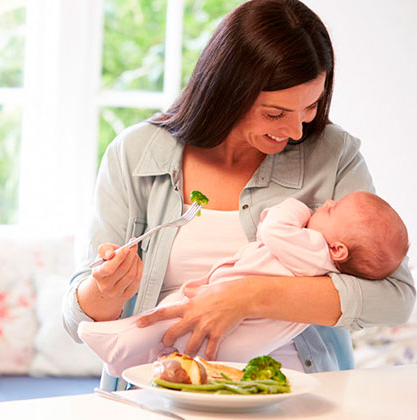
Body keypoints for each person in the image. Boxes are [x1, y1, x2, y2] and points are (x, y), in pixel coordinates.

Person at [62, 0, 415, 392]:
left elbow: (395, 298)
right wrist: (106, 290)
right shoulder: (136, 153)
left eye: (310, 107)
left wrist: (247, 296)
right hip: (162, 391)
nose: (296, 131)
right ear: (226, 92)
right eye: (275, 113)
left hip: (297, 394)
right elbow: (76, 320)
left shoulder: (333, 155)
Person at [77, 192, 409, 377]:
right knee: (168, 346)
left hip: (232, 320)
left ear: (338, 249)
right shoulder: (328, 266)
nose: (325, 204)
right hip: (247, 343)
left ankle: (114, 343)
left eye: (333, 209)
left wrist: (295, 206)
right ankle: (124, 363)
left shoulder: (314, 247)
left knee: (166, 317)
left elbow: (275, 229)